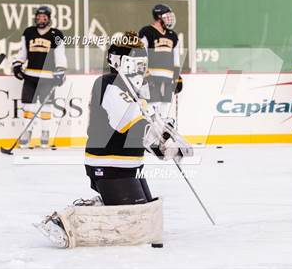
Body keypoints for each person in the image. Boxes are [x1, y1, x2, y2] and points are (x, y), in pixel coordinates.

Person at [35, 33, 184, 248]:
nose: (142, 65)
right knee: (134, 224)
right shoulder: (108, 83)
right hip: (108, 165)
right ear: (119, 61)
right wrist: (157, 140)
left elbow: (148, 122)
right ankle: (66, 219)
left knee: (147, 217)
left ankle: (101, 203)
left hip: (130, 166)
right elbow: (129, 124)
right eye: (136, 59)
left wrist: (164, 139)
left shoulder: (137, 87)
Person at [12, 6, 67, 148]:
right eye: (39, 17)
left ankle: (45, 133)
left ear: (49, 18)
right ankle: (27, 133)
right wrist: (18, 64)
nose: (41, 19)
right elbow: (23, 52)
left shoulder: (57, 34)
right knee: (27, 106)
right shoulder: (29, 32)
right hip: (30, 75)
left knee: (46, 107)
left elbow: (60, 55)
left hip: (48, 77)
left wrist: (60, 71)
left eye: (44, 17)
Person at [139, 4, 182, 120]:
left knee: (164, 113)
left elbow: (176, 58)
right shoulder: (146, 32)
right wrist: (146, 75)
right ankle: (147, 137)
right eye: (166, 16)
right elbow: (141, 55)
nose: (170, 19)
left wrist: (177, 77)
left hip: (168, 80)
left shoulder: (173, 36)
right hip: (151, 79)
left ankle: (159, 137)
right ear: (158, 17)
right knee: (150, 112)